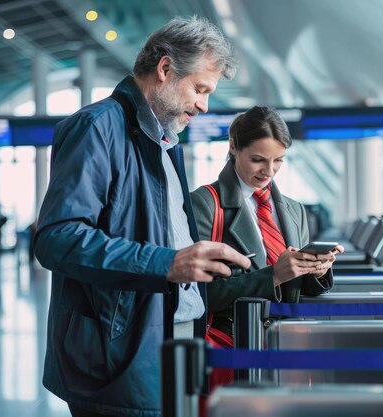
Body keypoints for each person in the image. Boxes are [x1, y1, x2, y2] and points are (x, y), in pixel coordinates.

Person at [34, 16, 250, 417]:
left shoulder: (164, 142)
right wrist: (167, 262)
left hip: (171, 342)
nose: (204, 105)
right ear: (165, 70)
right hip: (119, 353)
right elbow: (56, 238)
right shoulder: (96, 127)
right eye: (200, 89)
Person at [191, 106, 344, 340]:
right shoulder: (204, 205)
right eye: (257, 160)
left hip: (289, 342)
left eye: (278, 160)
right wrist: (272, 276)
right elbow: (197, 294)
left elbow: (298, 291)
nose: (269, 171)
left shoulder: (295, 210)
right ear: (233, 146)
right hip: (236, 345)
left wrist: (316, 270)